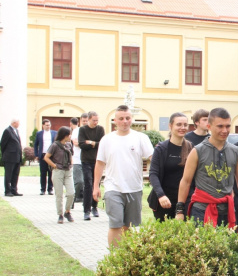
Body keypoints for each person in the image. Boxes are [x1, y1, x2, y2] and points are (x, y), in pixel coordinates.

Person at [175, 108, 238, 228]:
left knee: (227, 246)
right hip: (202, 210)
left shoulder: (236, 151)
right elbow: (186, 181)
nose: (224, 130)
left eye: (228, 126)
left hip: (227, 210)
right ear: (209, 126)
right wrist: (179, 210)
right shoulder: (197, 151)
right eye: (220, 126)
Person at [93, 105, 154, 247]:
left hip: (134, 188)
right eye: (121, 118)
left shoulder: (141, 138)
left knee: (128, 226)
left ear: (131, 119)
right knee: (115, 224)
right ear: (115, 121)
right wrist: (96, 186)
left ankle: (124, 256)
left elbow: (153, 158)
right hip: (113, 187)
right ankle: (114, 257)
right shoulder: (107, 140)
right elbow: (100, 164)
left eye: (128, 118)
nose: (125, 121)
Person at [148, 112, 192, 221]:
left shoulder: (191, 148)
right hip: (164, 201)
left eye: (185, 125)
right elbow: (153, 174)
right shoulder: (161, 149)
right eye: (179, 124)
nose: (182, 127)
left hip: (185, 201)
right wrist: (160, 195)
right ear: (170, 126)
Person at [43, 126, 75, 224]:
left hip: (68, 171)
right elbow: (46, 157)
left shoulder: (69, 144)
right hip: (58, 171)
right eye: (69, 134)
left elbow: (71, 155)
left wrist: (71, 163)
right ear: (64, 135)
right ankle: (60, 214)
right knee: (59, 194)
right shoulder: (55, 145)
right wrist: (54, 166)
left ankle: (67, 211)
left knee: (71, 193)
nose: (70, 136)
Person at [79, 111, 105, 221]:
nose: (96, 122)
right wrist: (94, 144)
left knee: (96, 184)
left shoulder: (100, 129)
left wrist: (91, 143)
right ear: (88, 119)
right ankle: (86, 210)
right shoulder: (83, 130)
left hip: (98, 161)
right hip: (86, 161)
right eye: (94, 120)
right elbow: (82, 144)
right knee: (88, 184)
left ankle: (95, 207)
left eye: (97, 120)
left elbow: (102, 144)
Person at [0, 118, 23, 197]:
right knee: (8, 174)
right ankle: (7, 191)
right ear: (14, 123)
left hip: (17, 157)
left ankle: (14, 190)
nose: (19, 124)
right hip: (9, 157)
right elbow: (3, 144)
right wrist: (6, 153)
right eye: (18, 123)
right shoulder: (7, 131)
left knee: (15, 174)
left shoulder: (16, 131)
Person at [34, 119, 56, 195]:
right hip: (43, 155)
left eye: (49, 125)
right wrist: (36, 154)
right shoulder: (39, 134)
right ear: (43, 125)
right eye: (46, 125)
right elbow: (35, 144)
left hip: (51, 156)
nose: (48, 126)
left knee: (51, 173)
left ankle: (50, 189)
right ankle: (42, 189)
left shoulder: (54, 133)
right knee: (43, 173)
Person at [70, 114, 87, 207]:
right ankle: (73, 198)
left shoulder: (91, 131)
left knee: (87, 182)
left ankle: (86, 201)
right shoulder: (76, 131)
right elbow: (75, 143)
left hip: (88, 160)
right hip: (77, 160)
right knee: (79, 181)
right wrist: (88, 143)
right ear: (80, 121)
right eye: (83, 120)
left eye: (86, 120)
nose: (85, 122)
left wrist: (83, 142)